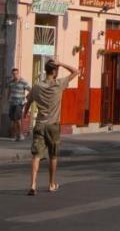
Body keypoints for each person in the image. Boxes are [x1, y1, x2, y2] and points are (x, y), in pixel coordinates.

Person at [24, 57, 79, 195]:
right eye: (57, 69)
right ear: (54, 71)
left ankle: (32, 185)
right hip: (53, 126)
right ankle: (51, 184)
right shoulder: (59, 84)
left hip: (40, 125)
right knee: (53, 156)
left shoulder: (37, 86)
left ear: (45, 71)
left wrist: (24, 115)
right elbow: (76, 71)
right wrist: (61, 63)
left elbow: (28, 101)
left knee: (36, 155)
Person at [6, 68, 31, 141]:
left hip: (20, 103)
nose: (15, 75)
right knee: (13, 119)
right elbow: (8, 89)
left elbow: (30, 89)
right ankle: (14, 136)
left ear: (18, 73)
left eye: (16, 74)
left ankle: (20, 134)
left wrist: (27, 97)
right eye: (13, 74)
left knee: (17, 119)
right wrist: (8, 98)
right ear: (12, 74)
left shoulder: (23, 82)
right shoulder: (11, 82)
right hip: (12, 102)